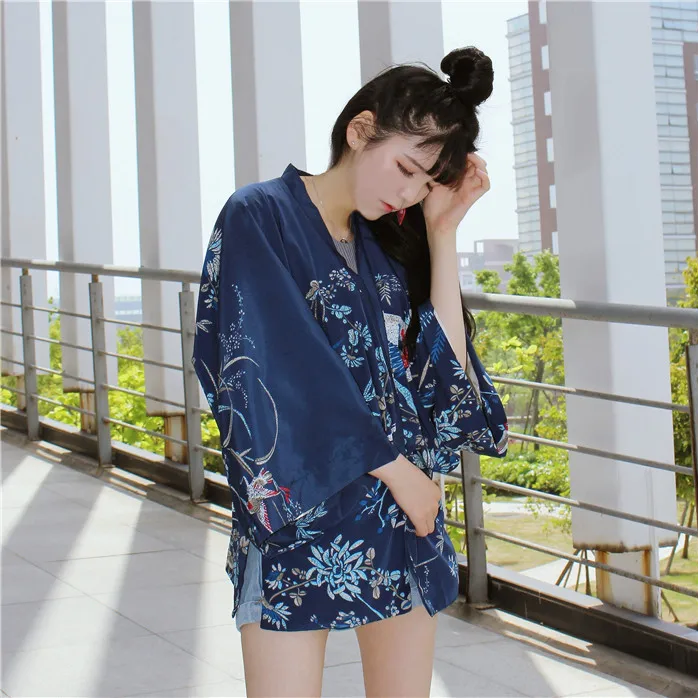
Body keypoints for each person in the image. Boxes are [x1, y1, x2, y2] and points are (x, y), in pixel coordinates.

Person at [192, 46, 508, 698]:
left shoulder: (388, 247)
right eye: (406, 168)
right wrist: (397, 470)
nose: (408, 192)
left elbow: (441, 384)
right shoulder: (260, 215)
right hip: (298, 519)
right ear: (360, 131)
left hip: (401, 520)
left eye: (425, 182)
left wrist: (442, 232)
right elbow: (265, 369)